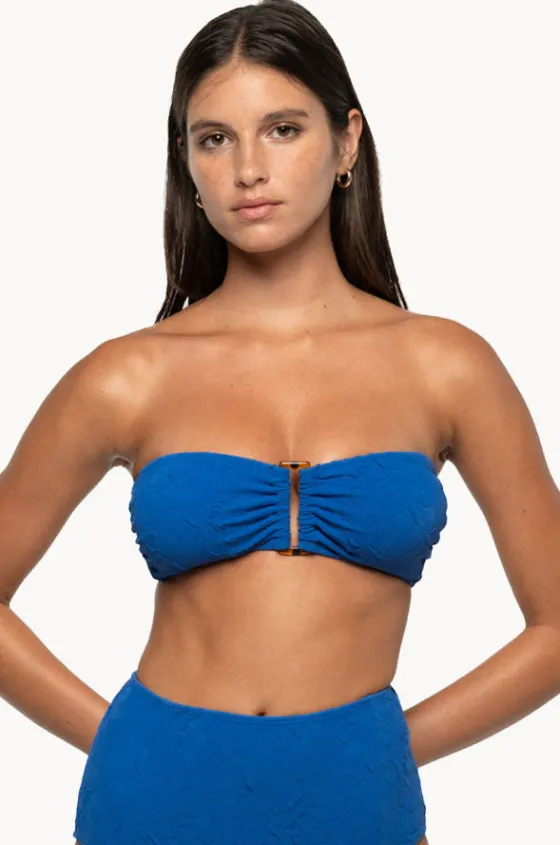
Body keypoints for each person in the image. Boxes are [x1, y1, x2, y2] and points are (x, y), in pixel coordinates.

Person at [1, 1, 559, 843]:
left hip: (358, 803)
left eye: (283, 129)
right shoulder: (127, 374)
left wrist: (383, 747)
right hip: (151, 801)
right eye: (214, 139)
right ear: (187, 163)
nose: (248, 169)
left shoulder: (448, 365)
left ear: (347, 141)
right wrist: (122, 737)